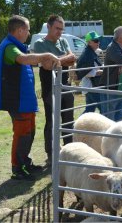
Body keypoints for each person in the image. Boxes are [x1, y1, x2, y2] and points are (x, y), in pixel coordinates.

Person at [0, 15, 60, 180]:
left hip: (25, 100)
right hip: (17, 100)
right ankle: (17, 168)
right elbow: (22, 59)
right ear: (20, 30)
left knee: (29, 132)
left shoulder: (17, 45)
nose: (28, 33)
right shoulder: (9, 47)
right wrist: (47, 55)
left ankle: (25, 163)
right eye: (27, 30)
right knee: (22, 133)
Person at [33, 15, 77, 164]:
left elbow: (73, 59)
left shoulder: (63, 41)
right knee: (52, 121)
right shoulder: (40, 44)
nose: (60, 32)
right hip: (50, 88)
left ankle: (69, 151)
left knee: (68, 120)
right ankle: (51, 153)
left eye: (61, 29)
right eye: (57, 28)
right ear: (49, 27)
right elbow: (46, 66)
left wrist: (56, 60)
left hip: (65, 86)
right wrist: (64, 58)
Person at [76, 31, 103, 113]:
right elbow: (84, 71)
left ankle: (77, 125)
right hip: (91, 87)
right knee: (104, 108)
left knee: (89, 110)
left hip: (91, 87)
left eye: (98, 39)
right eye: (95, 40)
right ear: (89, 42)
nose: (98, 42)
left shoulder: (91, 52)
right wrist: (100, 72)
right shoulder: (87, 54)